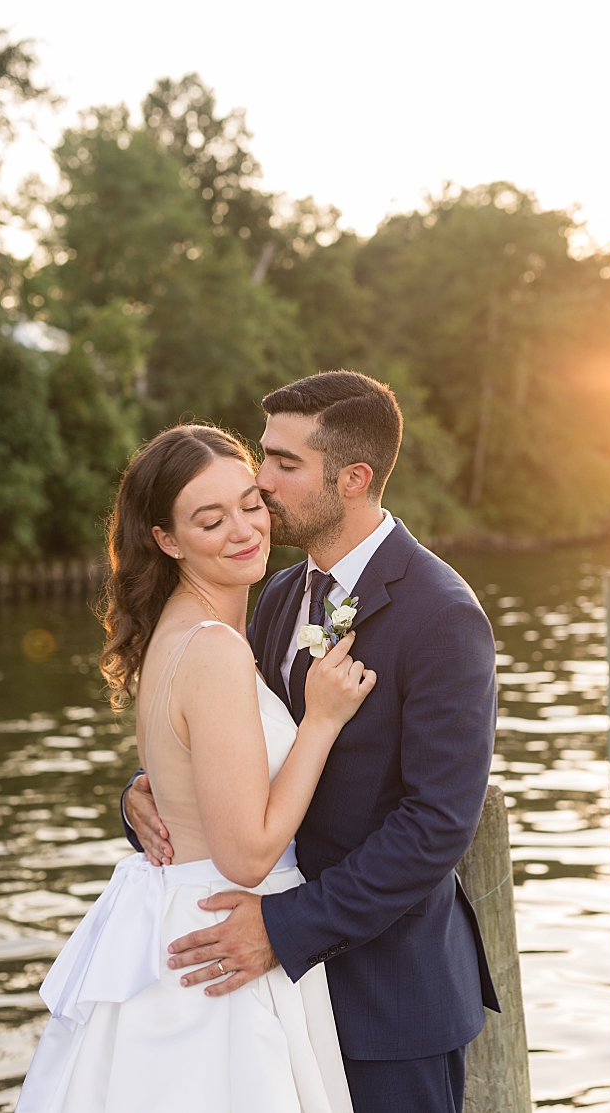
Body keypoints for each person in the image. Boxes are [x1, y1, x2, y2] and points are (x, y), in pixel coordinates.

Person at [122, 372, 500, 1113]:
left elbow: (436, 826)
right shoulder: (280, 594)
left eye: (284, 464)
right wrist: (150, 793)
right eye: (265, 455)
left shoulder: (442, 615)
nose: (260, 482)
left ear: (352, 478)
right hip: (275, 996)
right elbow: (239, 737)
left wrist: (283, 928)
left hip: (386, 997)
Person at [17, 424, 375, 1113]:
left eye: (250, 503)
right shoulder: (213, 646)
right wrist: (322, 721)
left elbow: (187, 775)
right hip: (223, 932)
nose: (244, 530)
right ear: (167, 539)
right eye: (211, 520)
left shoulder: (176, 629)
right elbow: (245, 855)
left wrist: (135, 797)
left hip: (176, 908)